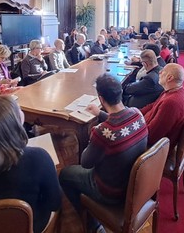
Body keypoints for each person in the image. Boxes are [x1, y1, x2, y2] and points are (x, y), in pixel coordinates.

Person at [59, 74, 148, 232]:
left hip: (110, 191)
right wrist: (99, 114)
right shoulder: (137, 113)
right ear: (120, 92)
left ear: (100, 99)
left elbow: (86, 163)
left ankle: (91, 222)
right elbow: (121, 123)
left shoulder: (104, 131)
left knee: (65, 174)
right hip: (132, 183)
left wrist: (93, 136)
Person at [0, 95, 62, 233]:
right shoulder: (39, 158)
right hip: (31, 226)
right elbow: (54, 203)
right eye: (18, 109)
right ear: (13, 123)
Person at [139, 63, 184, 147]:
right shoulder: (174, 91)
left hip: (155, 148)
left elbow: (151, 137)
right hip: (145, 128)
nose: (159, 72)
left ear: (169, 78)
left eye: (163, 71)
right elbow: (153, 105)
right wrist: (136, 114)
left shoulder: (171, 103)